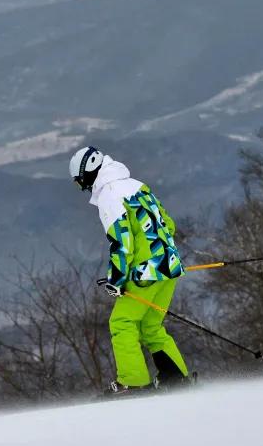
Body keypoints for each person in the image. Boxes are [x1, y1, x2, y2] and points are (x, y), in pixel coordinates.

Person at [69, 146, 191, 394]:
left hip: (145, 273)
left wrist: (117, 278)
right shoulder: (137, 185)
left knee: (122, 323)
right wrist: (162, 256)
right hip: (169, 267)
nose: (84, 188)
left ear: (89, 173)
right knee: (151, 327)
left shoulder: (110, 195)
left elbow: (122, 242)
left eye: (82, 182)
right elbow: (168, 224)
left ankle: (132, 383)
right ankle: (176, 379)